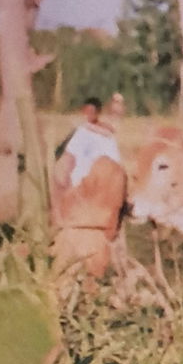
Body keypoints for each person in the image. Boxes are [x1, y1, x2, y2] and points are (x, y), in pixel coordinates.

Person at [51, 98, 126, 280]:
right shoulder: (91, 134)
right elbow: (70, 162)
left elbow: (113, 165)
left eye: (92, 112)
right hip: (88, 194)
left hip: (94, 194)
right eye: (87, 112)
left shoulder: (96, 135)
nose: (89, 115)